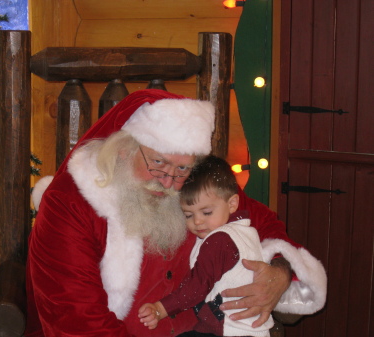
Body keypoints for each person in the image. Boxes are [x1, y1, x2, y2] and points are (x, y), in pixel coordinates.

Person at [25, 89, 327, 337]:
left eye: (183, 168)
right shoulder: (70, 204)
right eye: (157, 163)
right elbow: (77, 321)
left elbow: (263, 222)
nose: (169, 181)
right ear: (122, 149)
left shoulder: (194, 186)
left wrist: (280, 271)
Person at [138, 155, 274, 337]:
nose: (198, 221)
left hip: (230, 330)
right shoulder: (244, 229)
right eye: (188, 215)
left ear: (232, 203)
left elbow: (198, 285)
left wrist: (160, 308)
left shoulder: (220, 241)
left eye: (207, 212)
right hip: (251, 329)